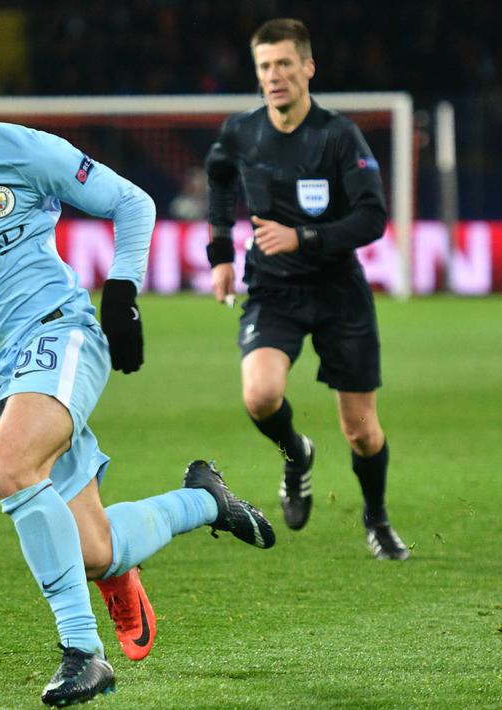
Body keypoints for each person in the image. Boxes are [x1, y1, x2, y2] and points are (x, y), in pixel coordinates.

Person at [0, 31, 276, 706]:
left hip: (58, 332)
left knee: (8, 467)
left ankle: (83, 653)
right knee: (95, 551)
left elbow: (131, 202)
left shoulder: (22, 150)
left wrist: (122, 294)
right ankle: (205, 501)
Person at [204, 18, 408, 561]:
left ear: (308, 67)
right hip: (273, 289)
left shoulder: (337, 136)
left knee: (361, 431)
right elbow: (218, 176)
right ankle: (297, 454)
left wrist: (303, 236)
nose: (274, 76)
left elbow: (372, 216)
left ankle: (377, 519)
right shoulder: (242, 132)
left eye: (284, 64)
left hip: (339, 292)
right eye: (265, 66)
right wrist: (220, 256)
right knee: (260, 395)